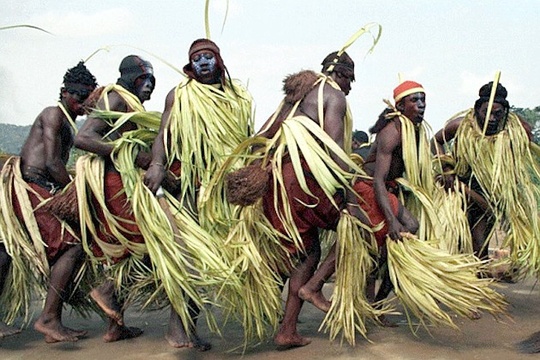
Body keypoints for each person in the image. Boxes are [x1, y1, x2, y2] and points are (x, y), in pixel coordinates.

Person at [228, 50, 370, 349]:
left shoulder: (294, 99)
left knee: (307, 253)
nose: (350, 87)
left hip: (279, 183)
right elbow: (333, 150)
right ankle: (315, 287)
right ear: (341, 74)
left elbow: (264, 133)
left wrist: (255, 171)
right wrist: (351, 196)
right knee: (360, 227)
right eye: (350, 80)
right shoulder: (333, 96)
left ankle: (287, 330)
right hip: (306, 181)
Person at [143, 38, 254, 351]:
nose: (203, 63)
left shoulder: (237, 96)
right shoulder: (180, 95)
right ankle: (178, 329)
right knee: (192, 259)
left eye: (208, 57)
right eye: (197, 58)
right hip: (194, 188)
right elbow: (163, 135)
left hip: (227, 190)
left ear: (218, 60)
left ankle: (186, 328)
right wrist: (158, 164)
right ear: (190, 65)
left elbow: (245, 137)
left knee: (218, 260)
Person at [299, 80, 424, 326]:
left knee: (372, 246)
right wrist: (391, 220)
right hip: (368, 189)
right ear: (400, 105)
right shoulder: (394, 131)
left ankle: (372, 305)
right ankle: (314, 287)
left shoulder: (413, 130)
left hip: (384, 190)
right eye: (415, 100)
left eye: (423, 100)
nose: (421, 105)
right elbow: (378, 179)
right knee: (406, 225)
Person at [0, 61, 97, 342]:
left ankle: (52, 319)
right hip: (32, 186)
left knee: (6, 251)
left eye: (87, 97)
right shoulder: (54, 114)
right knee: (71, 245)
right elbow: (54, 163)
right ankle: (49, 318)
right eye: (77, 95)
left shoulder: (67, 121)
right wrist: (73, 194)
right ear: (64, 92)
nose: (81, 102)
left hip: (39, 187)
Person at [74, 55, 156, 343]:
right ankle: (107, 291)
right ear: (133, 78)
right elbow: (83, 138)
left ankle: (115, 327)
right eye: (145, 80)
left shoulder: (125, 101)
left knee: (123, 252)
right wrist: (133, 154)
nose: (149, 87)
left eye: (151, 81)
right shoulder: (116, 99)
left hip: (124, 181)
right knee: (147, 244)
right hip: (116, 183)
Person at [431, 81, 536, 263]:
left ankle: (478, 282)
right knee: (453, 241)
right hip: (457, 188)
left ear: (504, 112)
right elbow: (435, 141)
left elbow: (526, 140)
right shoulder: (462, 126)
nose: (492, 118)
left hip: (488, 192)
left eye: (498, 114)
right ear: (477, 109)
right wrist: (447, 169)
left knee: (479, 246)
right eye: (487, 113)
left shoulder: (515, 128)